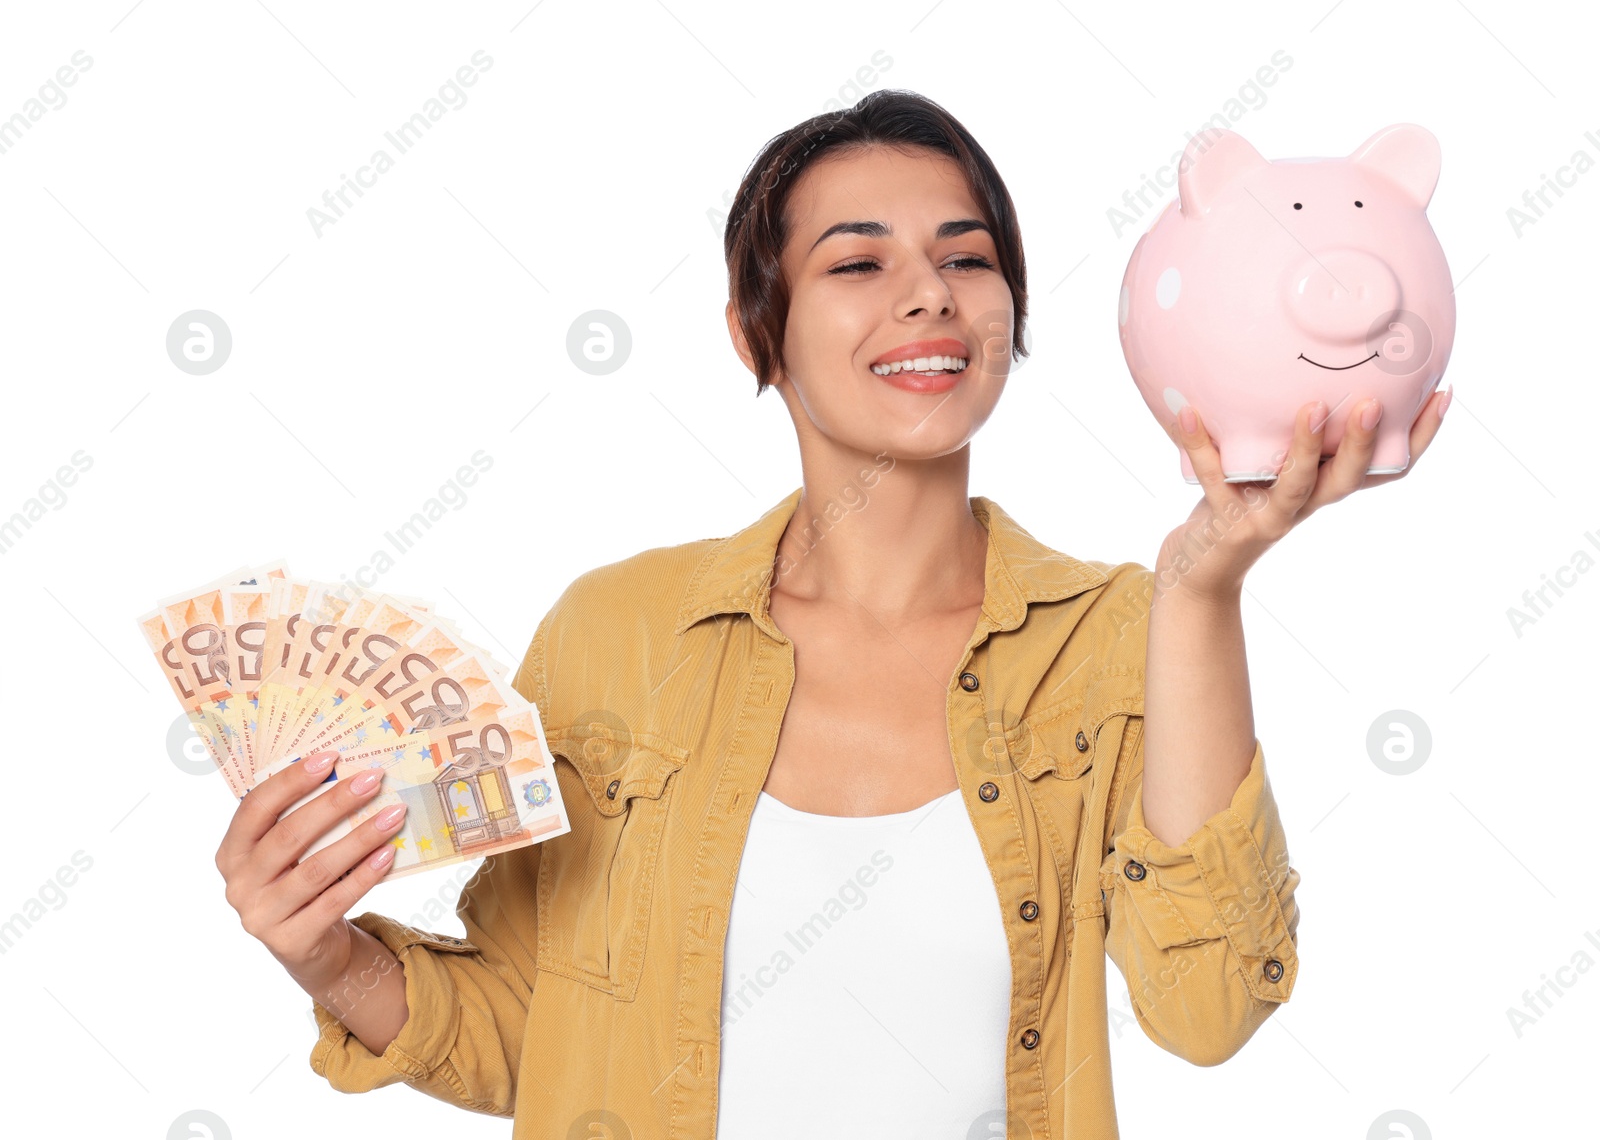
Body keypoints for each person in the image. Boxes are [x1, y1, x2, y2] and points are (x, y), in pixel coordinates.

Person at [214, 89, 1451, 1138]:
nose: (930, 296)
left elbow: (1211, 1011)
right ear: (762, 330)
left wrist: (1202, 589)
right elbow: (531, 1036)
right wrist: (325, 954)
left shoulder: (1116, 638)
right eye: (858, 263)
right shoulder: (616, 635)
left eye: (966, 258)